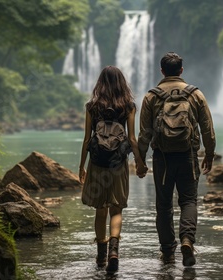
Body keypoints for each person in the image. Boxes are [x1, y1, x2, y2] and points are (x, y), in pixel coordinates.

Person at [137, 52, 216, 266]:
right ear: (181, 70)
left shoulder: (151, 96)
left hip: (162, 158)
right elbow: (207, 128)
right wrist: (209, 153)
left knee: (163, 206)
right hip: (188, 156)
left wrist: (140, 160)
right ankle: (187, 240)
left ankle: (167, 252)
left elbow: (144, 133)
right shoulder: (195, 94)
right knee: (189, 200)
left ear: (162, 71)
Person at [79, 65, 148, 273]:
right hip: (118, 163)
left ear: (100, 83)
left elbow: (86, 139)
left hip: (97, 162)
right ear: (122, 83)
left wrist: (81, 166)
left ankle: (100, 256)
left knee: (101, 209)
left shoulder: (92, 106)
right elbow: (132, 139)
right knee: (116, 208)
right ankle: (114, 252)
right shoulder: (128, 106)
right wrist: (139, 162)